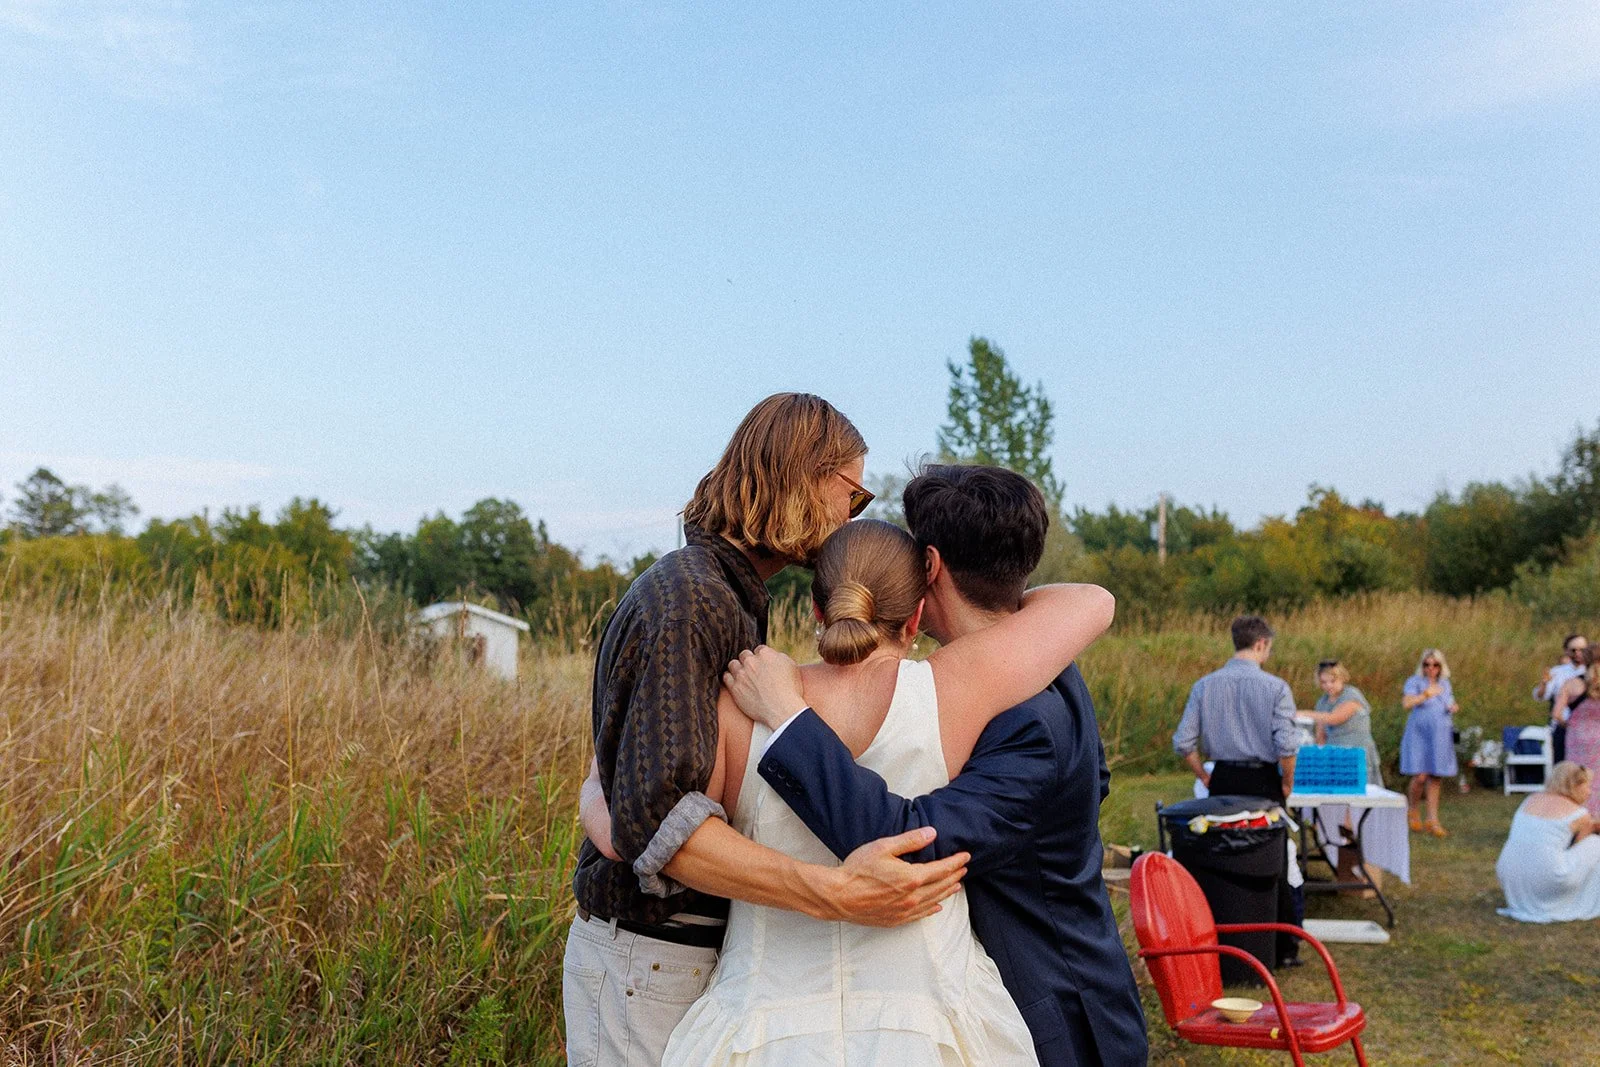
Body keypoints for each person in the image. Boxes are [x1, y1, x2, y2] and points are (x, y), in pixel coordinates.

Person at [590, 517, 1119, 1064]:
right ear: (915, 614)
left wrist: (598, 783)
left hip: (764, 1028)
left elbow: (649, 833)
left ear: (817, 609)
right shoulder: (958, 689)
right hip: (929, 1025)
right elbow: (1088, 605)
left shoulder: (737, 705)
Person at [565, 394, 967, 1066]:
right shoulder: (692, 600)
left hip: (673, 958)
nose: (851, 516)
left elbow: (633, 783)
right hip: (647, 959)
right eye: (853, 493)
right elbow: (664, 827)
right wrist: (836, 892)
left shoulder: (725, 596)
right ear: (807, 479)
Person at [729, 465, 1149, 1067]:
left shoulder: (1025, 716)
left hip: (1059, 1018)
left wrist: (788, 717)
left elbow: (908, 842)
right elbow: (1096, 781)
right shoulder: (1043, 661)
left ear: (929, 567)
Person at [1172, 614, 1301, 967]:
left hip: (1224, 779)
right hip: (1263, 779)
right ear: (1261, 644)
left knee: (1221, 853)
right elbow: (1287, 746)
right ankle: (1281, 947)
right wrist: (1287, 781)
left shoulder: (1205, 685)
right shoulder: (1276, 688)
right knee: (1274, 858)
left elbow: (1183, 742)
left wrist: (1205, 774)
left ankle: (1221, 935)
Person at [1495, 762, 1600, 923]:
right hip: (1547, 878)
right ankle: (1582, 899)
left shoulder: (1530, 800)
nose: (1589, 792)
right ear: (1575, 785)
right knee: (1594, 844)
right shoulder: (1579, 813)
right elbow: (1577, 848)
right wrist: (1593, 826)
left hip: (1507, 871)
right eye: (1587, 786)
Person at [1399, 648, 1459, 837]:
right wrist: (1426, 695)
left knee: (1436, 776)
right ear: (1422, 666)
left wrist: (1452, 707)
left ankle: (1433, 819)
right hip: (1419, 733)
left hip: (1440, 733)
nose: (1431, 668)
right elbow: (1407, 704)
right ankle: (1413, 809)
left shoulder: (1445, 684)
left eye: (1435, 664)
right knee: (1420, 776)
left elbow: (1448, 702)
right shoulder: (1415, 682)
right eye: (1427, 664)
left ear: (1441, 666)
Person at [1301, 660, 1383, 788]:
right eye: (1324, 682)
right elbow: (1320, 735)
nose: (1328, 686)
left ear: (1341, 678)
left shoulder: (1352, 695)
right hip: (1335, 756)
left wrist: (1304, 713)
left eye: (1332, 681)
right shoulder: (1322, 702)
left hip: (1357, 755)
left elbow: (1334, 718)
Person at [1534, 634, 1588, 762]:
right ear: (1566, 651)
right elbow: (1540, 696)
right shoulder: (1558, 672)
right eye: (1573, 650)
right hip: (1563, 727)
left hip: (1587, 729)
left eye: (1582, 649)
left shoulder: (1592, 672)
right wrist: (1544, 683)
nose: (1578, 653)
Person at [1562, 671, 1600, 820]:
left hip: (1578, 739)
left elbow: (1557, 713)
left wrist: (1569, 725)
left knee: (1577, 777)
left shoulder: (1573, 683)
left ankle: (1576, 816)